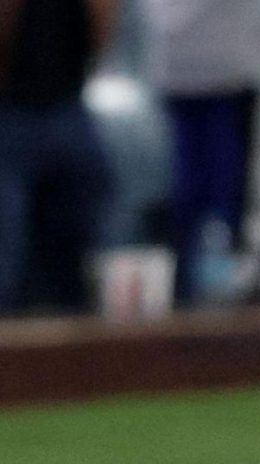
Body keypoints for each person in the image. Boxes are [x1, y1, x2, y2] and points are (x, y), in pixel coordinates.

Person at [0, 0, 118, 314]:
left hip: (68, 104)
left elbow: (101, 37)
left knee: (84, 247)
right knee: (7, 255)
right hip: (10, 110)